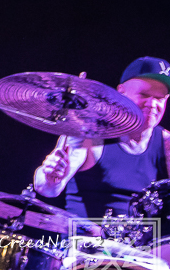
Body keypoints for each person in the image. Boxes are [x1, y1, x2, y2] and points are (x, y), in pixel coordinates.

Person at [33, 56, 170, 219]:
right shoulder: (89, 134)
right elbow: (48, 189)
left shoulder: (166, 142)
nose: (152, 104)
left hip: (145, 236)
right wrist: (50, 177)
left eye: (160, 98)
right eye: (144, 94)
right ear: (121, 92)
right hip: (87, 234)